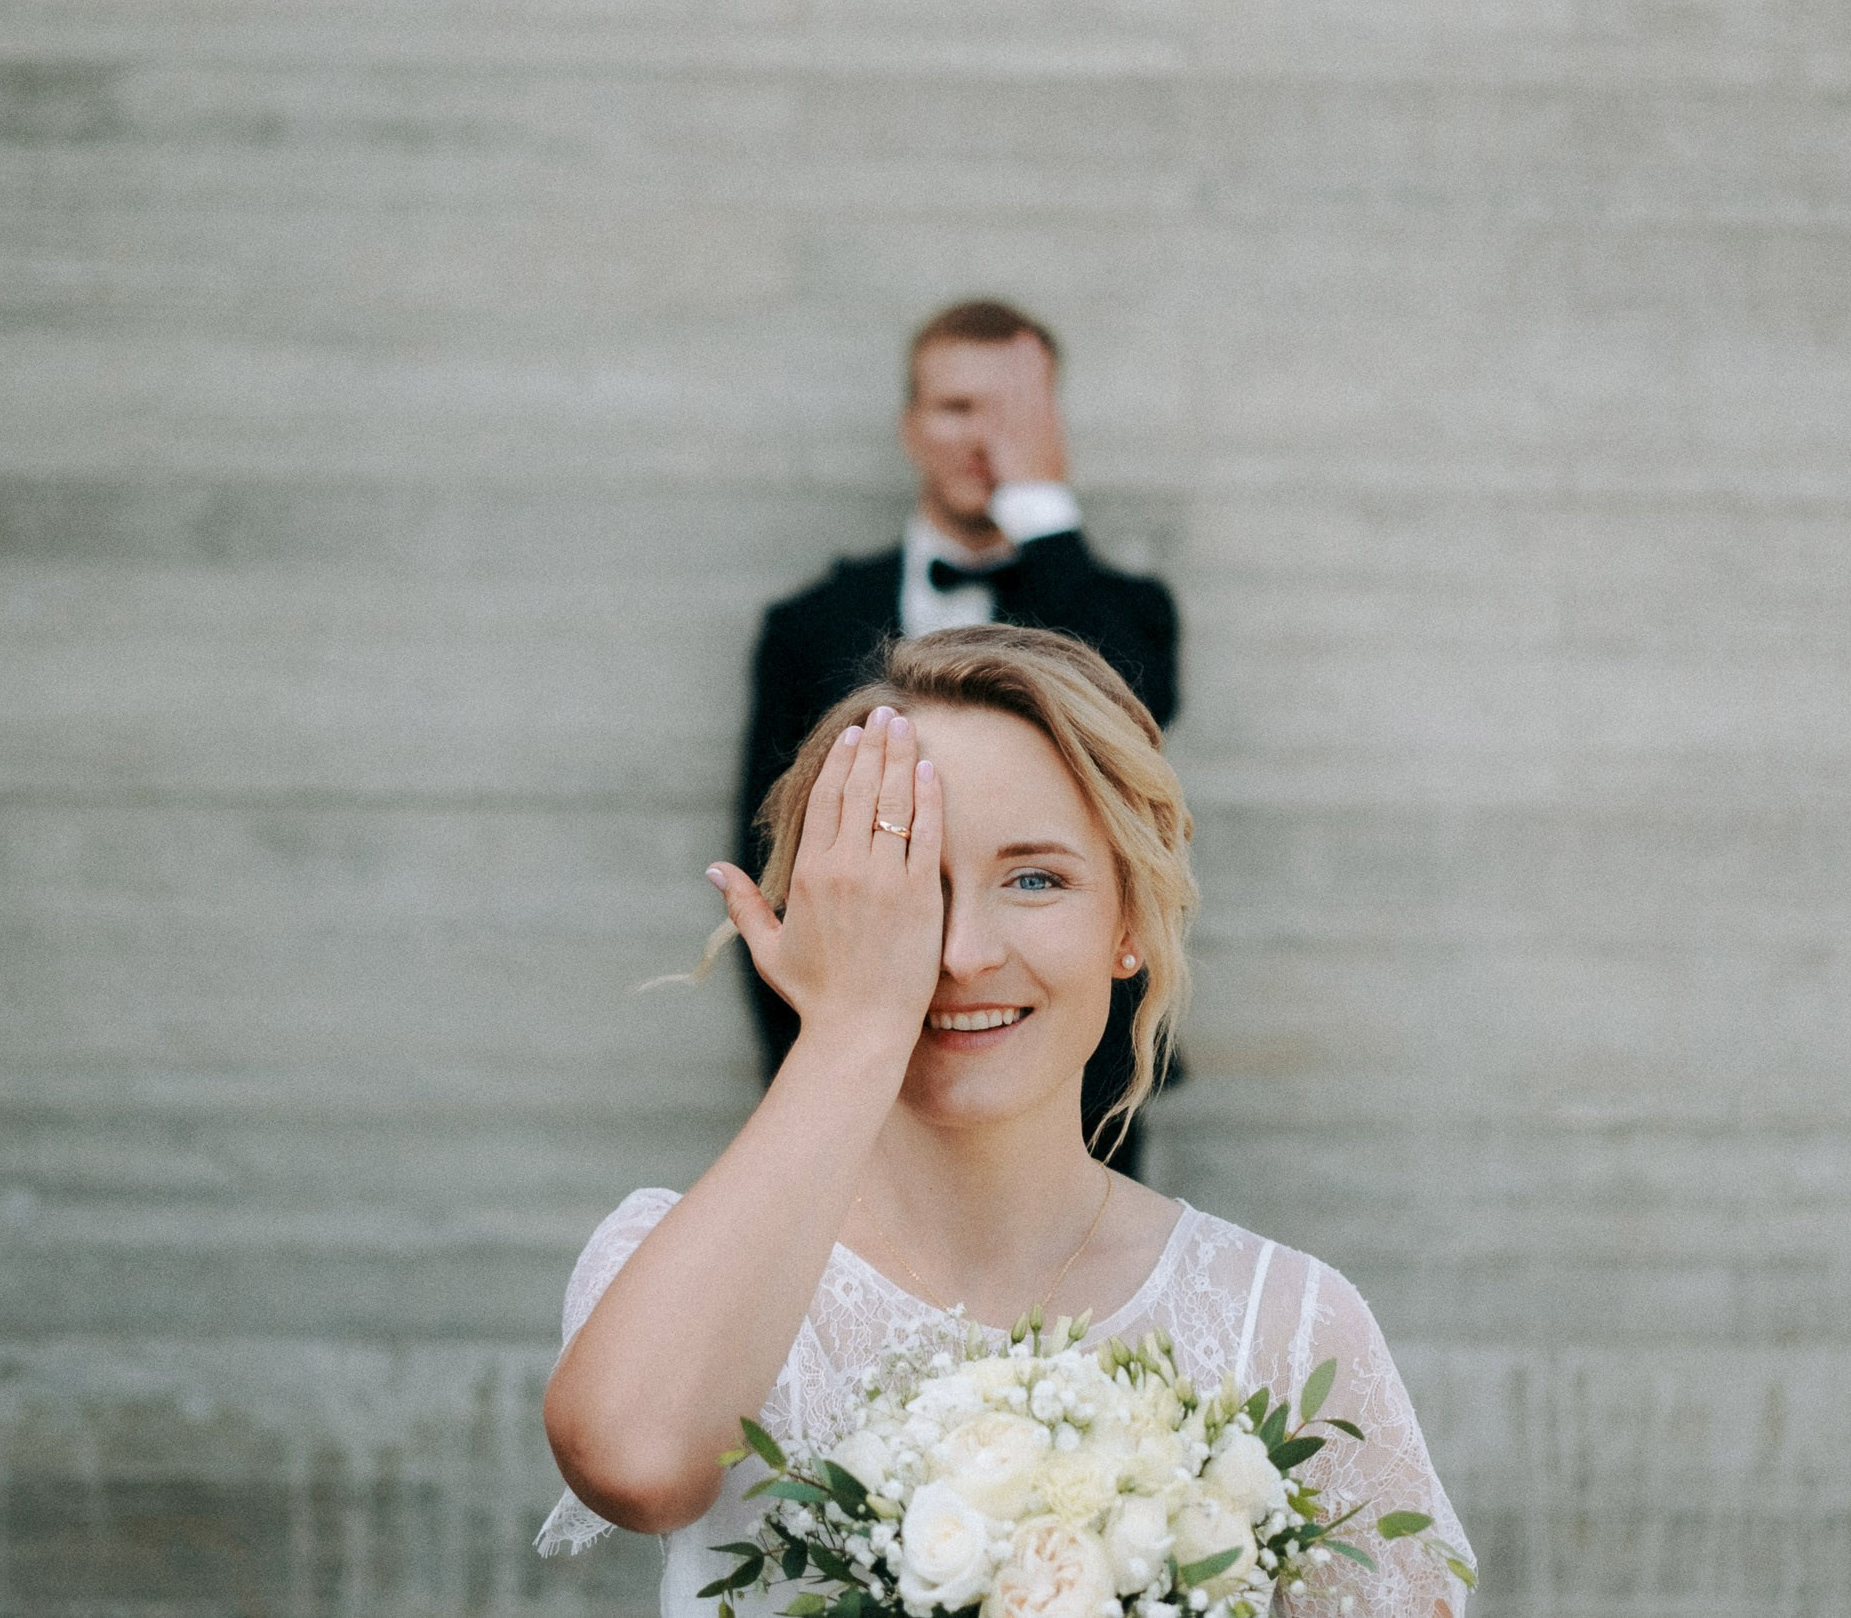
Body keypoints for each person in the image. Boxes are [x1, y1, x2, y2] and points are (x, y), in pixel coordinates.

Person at [541, 627, 1470, 1617]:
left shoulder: (1282, 1322)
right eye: (906, 883)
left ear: (1127, 923)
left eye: (1035, 879)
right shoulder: (670, 1258)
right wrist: (852, 1028)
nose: (964, 953)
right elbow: (637, 1465)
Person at [738, 301, 1179, 1171]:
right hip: (867, 1080)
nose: (989, 440)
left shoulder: (1124, 610)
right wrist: (817, 1067)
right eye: (957, 408)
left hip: (1079, 1087)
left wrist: (1043, 510)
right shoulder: (808, 624)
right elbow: (773, 864)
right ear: (909, 428)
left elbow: (1134, 710)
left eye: (1016, 412)